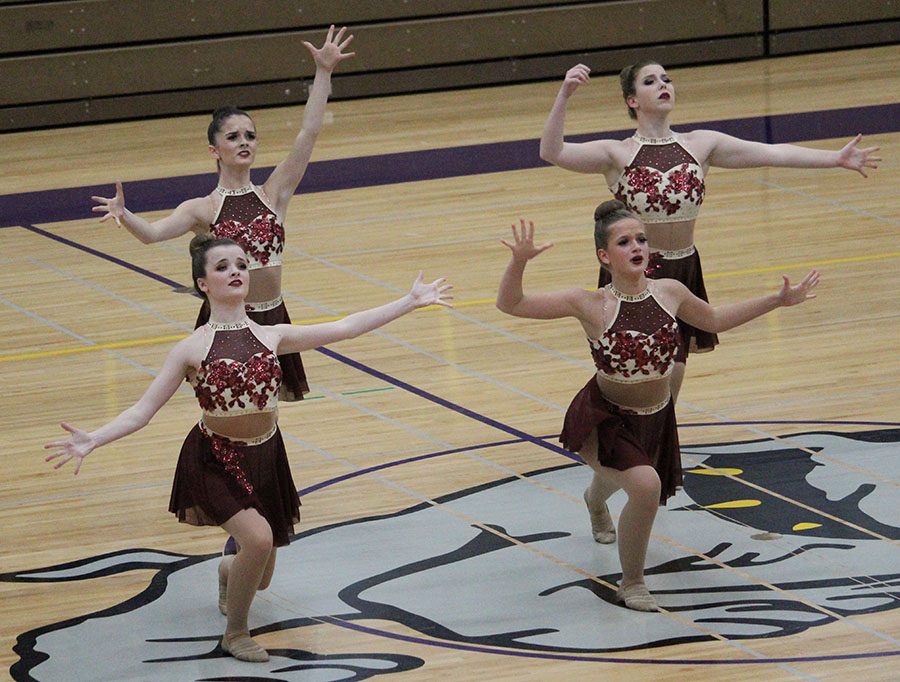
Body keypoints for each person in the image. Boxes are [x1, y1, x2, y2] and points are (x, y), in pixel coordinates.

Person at [45, 235, 452, 662]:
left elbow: (346, 327)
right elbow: (141, 412)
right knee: (257, 541)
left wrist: (408, 301)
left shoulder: (273, 335)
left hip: (267, 456)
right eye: (222, 267)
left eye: (240, 264)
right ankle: (235, 633)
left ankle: (227, 570)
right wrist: (94, 438)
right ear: (203, 284)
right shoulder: (191, 349)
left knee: (259, 576)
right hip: (215, 458)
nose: (235, 271)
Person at [496, 200, 818, 612]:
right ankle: (632, 583)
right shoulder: (590, 304)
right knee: (645, 486)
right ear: (604, 256)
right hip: (606, 418)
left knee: (629, 478)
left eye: (642, 239)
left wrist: (776, 300)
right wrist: (519, 262)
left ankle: (595, 500)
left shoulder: (671, 292)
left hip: (658, 417)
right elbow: (511, 304)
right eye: (624, 241)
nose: (637, 246)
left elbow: (715, 319)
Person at [539, 61, 876, 401]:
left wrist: (834, 158)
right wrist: (565, 94)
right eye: (650, 81)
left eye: (666, 79)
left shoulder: (702, 144)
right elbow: (552, 152)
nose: (662, 84)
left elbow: (773, 153)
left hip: (683, 269)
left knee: (670, 387)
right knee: (634, 380)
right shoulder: (616, 152)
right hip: (636, 274)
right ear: (632, 101)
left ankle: (650, 450)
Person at [91, 25, 356, 402]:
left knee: (267, 409)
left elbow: (308, 133)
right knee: (227, 407)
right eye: (233, 137)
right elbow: (151, 234)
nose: (244, 142)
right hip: (229, 320)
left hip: (275, 316)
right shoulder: (203, 208)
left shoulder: (274, 192)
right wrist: (124, 214)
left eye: (249, 135)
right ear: (214, 150)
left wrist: (324, 72)